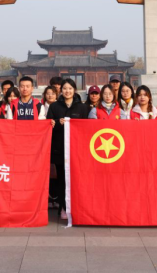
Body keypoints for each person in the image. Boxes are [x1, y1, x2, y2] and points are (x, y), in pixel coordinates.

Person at [46, 78, 88, 220]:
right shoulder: (54, 107)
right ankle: (63, 207)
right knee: (62, 180)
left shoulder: (82, 107)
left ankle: (77, 207)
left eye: (70, 88)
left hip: (77, 150)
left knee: (76, 179)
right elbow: (48, 125)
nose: (67, 91)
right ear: (61, 90)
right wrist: (58, 123)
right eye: (65, 88)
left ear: (74, 90)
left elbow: (86, 128)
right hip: (59, 150)